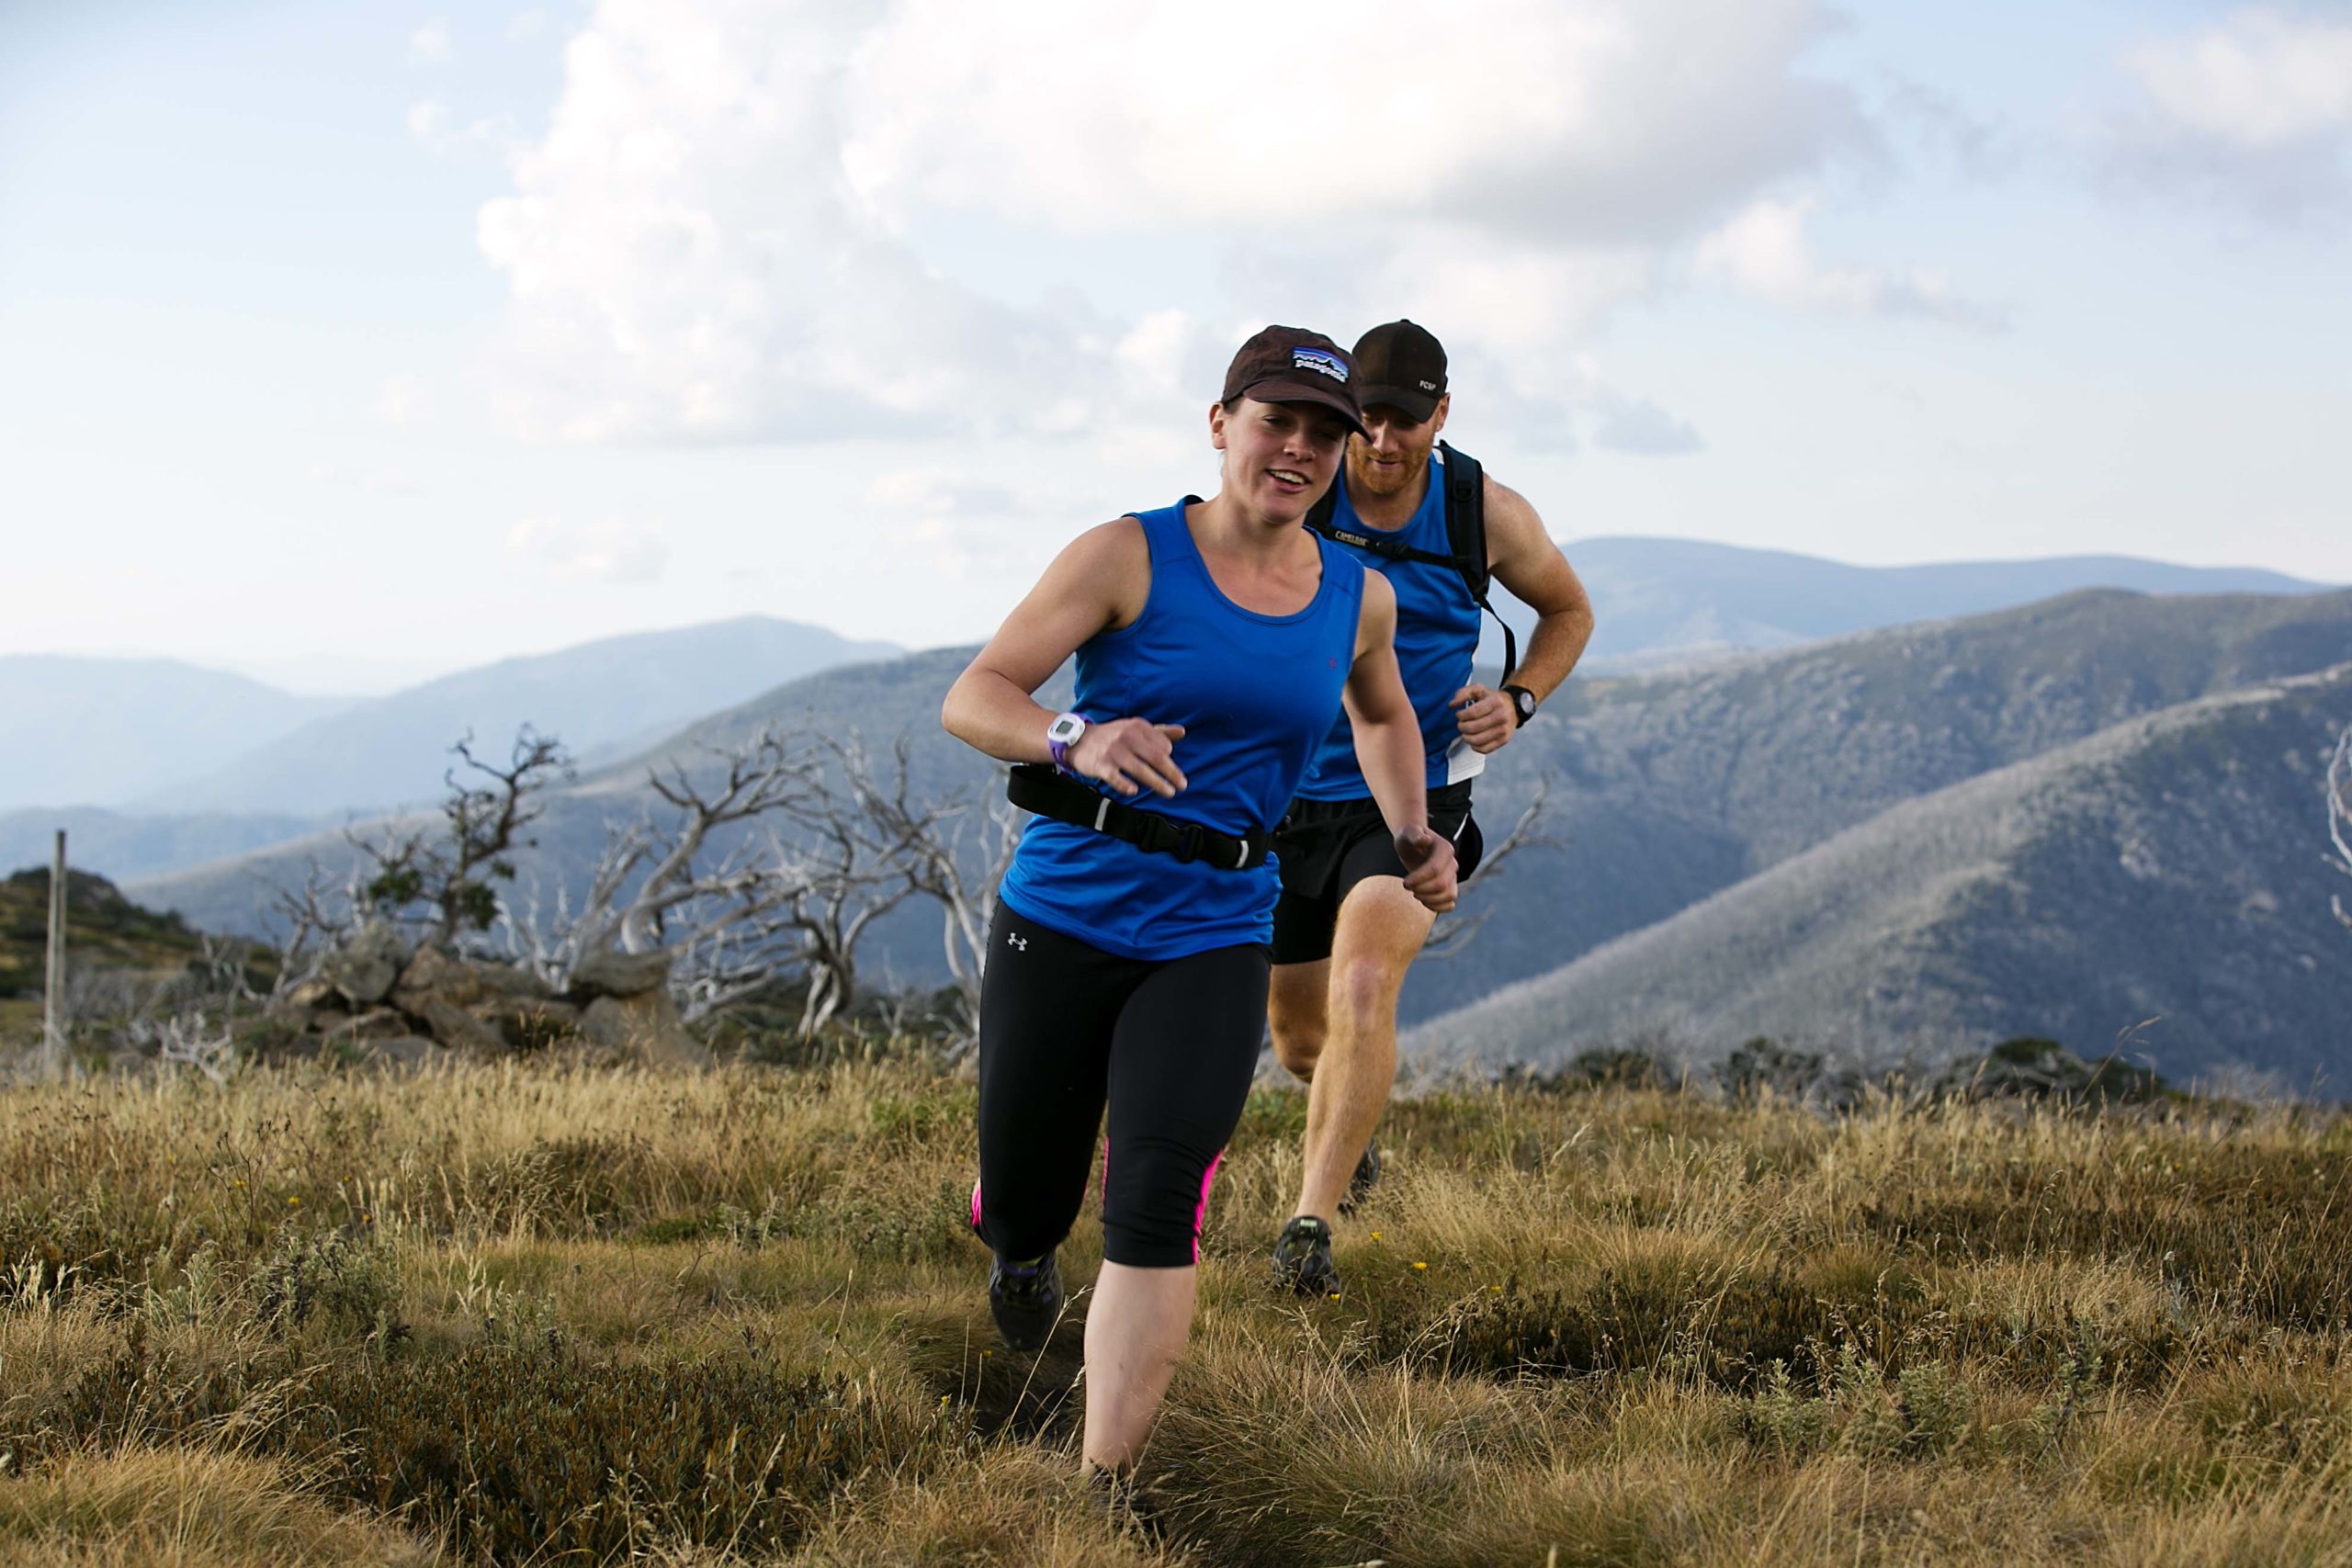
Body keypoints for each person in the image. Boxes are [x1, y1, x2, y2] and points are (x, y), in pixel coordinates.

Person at [940, 325, 1459, 1480]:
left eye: (1325, 433)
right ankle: (1018, 1252)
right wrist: (1077, 733)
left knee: (1159, 1196)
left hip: (1221, 921)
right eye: (1278, 421)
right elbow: (975, 698)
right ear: (1222, 424)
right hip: (1067, 909)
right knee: (1029, 1194)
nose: (1301, 449)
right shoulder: (1127, 555)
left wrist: (1415, 830)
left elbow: (1380, 714)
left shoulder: (1355, 598)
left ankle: (1102, 1489)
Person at [1266, 320, 1594, 1298]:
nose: (1379, 440)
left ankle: (1307, 1226)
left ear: (1438, 416)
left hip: (1416, 794)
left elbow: (1568, 610)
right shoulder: (1301, 491)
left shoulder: (1479, 511)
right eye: (1363, 416)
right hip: (1284, 792)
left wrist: (1520, 698)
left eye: (1403, 421)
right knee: (1296, 1040)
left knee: (1364, 982)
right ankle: (1350, 1134)